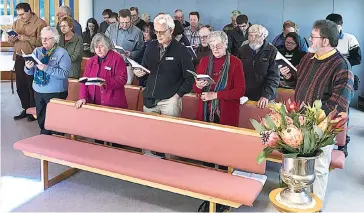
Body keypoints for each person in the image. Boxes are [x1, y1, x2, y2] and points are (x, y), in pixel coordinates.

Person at [280, 20, 354, 206]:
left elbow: (340, 102)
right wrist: (290, 77)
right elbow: (299, 82)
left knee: (320, 167)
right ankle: (294, 196)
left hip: (321, 128)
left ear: (326, 41)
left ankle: (316, 204)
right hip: (298, 121)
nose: (310, 39)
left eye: (313, 36)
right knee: (294, 162)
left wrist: (313, 119)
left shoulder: (341, 65)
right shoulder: (308, 58)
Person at [133, 13, 194, 117]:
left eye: (162, 32)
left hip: (170, 102)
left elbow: (190, 77)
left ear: (171, 30)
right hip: (150, 100)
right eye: (156, 31)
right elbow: (144, 69)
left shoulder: (181, 50)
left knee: (170, 133)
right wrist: (138, 73)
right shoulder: (150, 46)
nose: (158, 35)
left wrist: (177, 96)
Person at [24, 27, 71, 135]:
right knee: (42, 120)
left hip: (56, 92)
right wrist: (28, 67)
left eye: (47, 38)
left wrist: (46, 68)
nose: (44, 41)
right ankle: (44, 139)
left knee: (56, 123)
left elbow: (64, 74)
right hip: (38, 91)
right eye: (42, 38)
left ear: (55, 39)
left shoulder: (62, 53)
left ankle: (57, 144)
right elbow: (30, 73)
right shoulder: (37, 51)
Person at [326, 13, 362, 157]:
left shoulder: (349, 38)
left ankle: (342, 143)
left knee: (342, 111)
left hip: (344, 79)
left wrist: (341, 65)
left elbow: (357, 58)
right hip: (326, 80)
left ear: (340, 26)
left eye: (334, 26)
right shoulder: (324, 39)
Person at [193, 31, 245, 127]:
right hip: (205, 111)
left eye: (218, 45)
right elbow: (196, 90)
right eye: (212, 46)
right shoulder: (204, 61)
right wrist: (198, 85)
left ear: (226, 44)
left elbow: (240, 91)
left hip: (227, 112)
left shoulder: (236, 63)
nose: (215, 49)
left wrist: (215, 95)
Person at [9, 2, 47, 121]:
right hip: (19, 57)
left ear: (29, 11)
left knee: (32, 85)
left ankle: (34, 111)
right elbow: (11, 42)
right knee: (20, 85)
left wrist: (27, 38)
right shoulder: (16, 23)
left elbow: (43, 42)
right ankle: (25, 109)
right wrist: (11, 39)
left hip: (33, 58)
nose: (20, 17)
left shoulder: (40, 23)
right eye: (18, 14)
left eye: (22, 14)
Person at [75, 33, 128, 109]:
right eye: (96, 47)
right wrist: (83, 97)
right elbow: (84, 82)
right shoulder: (91, 61)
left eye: (101, 46)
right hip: (93, 103)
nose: (98, 50)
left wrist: (105, 82)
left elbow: (122, 79)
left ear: (107, 46)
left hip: (112, 103)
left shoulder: (117, 58)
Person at [237, 24, 280, 108]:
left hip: (265, 97)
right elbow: (236, 73)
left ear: (263, 36)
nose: (252, 38)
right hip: (245, 96)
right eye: (250, 35)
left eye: (256, 35)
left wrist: (266, 95)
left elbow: (274, 77)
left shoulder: (273, 51)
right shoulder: (242, 50)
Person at [106, 9, 144, 84]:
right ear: (118, 20)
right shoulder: (111, 28)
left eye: (127, 22)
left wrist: (131, 54)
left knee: (126, 89)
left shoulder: (137, 32)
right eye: (122, 22)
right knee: (109, 85)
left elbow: (140, 49)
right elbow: (105, 42)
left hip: (127, 65)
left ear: (131, 19)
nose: (124, 25)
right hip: (111, 63)